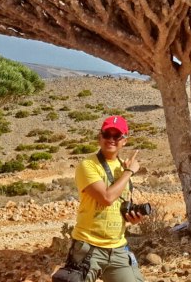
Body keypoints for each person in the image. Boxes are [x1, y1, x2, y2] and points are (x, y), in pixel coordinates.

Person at [67, 115, 146, 282]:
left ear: (124, 140)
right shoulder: (88, 165)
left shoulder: (122, 168)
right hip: (88, 247)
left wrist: (132, 218)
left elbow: (119, 203)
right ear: (99, 137)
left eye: (116, 136)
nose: (111, 139)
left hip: (117, 248)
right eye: (106, 134)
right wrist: (129, 172)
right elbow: (106, 198)